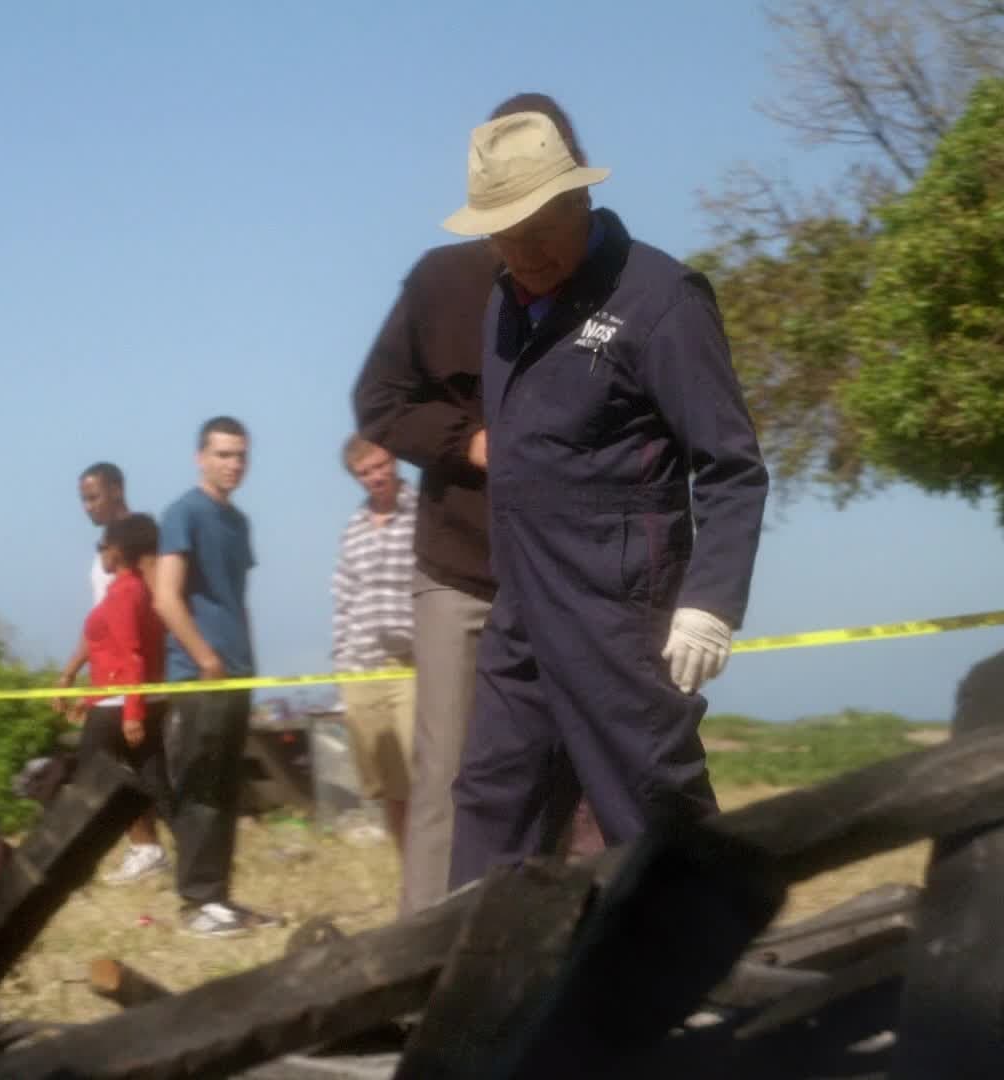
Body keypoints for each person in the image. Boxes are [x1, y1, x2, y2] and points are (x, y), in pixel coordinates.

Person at [439, 110, 770, 891]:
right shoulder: (503, 305)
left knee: (650, 806)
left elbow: (731, 464)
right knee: (494, 801)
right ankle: (480, 966)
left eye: (536, 230)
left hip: (618, 610)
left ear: (578, 201)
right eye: (503, 237)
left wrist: (710, 602)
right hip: (522, 603)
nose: (523, 253)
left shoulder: (661, 300)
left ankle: (709, 955)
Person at [352, 92, 603, 916]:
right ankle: (421, 963)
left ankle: (539, 951)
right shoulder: (441, 281)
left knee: (565, 775)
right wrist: (472, 443)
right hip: (462, 569)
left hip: (575, 578)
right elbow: (378, 401)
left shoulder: (628, 291)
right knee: (448, 780)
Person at [152, 417, 282, 937]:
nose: (234, 464)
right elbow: (166, 597)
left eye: (240, 455)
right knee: (200, 788)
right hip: (198, 675)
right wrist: (205, 657)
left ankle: (219, 899)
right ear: (200, 457)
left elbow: (235, 598)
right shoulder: (182, 513)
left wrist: (244, 659)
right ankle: (196, 903)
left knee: (226, 790)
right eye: (224, 454)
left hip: (236, 673)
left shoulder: (238, 522)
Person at [330, 435, 418, 851]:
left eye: (381, 466)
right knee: (389, 785)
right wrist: (342, 664)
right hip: (361, 665)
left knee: (426, 774)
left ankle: (441, 870)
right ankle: (410, 873)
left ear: (394, 460)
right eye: (365, 472)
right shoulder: (353, 527)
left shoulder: (424, 513)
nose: (376, 476)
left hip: (412, 663)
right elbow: (344, 598)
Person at [78, 514, 171, 883]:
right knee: (156, 784)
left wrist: (132, 711)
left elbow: (133, 656)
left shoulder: (124, 593)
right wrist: (87, 696)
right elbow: (113, 656)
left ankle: (80, 862)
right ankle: (175, 852)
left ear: (117, 551)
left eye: (101, 546)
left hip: (118, 705)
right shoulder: (135, 590)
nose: (99, 553)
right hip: (117, 699)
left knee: (91, 782)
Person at [56, 462, 128, 703]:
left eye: (94, 498)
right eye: (84, 500)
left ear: (116, 491)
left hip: (128, 689)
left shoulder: (137, 541)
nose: (88, 507)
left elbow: (115, 617)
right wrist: (72, 674)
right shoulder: (107, 544)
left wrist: (70, 673)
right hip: (106, 682)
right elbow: (100, 619)